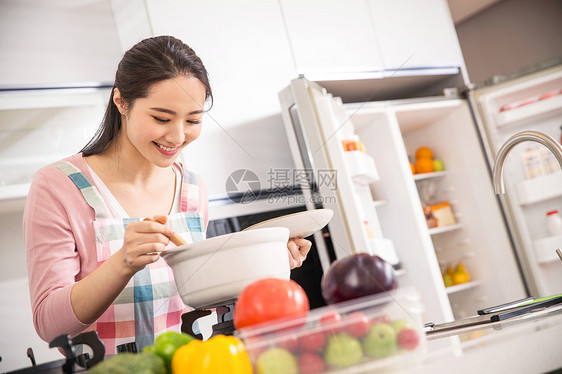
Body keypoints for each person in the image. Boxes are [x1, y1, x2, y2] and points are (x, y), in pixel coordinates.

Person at [23, 35, 311, 353]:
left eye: (193, 120)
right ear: (121, 101)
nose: (177, 136)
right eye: (161, 118)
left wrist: (264, 264)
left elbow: (207, 302)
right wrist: (123, 263)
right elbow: (49, 325)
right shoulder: (59, 186)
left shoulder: (192, 187)